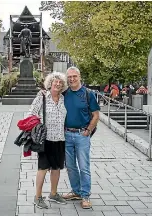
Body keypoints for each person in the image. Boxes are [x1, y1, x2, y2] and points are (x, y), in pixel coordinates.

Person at [62, 66, 100, 209]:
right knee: (71, 167)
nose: (72, 79)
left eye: (74, 76)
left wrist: (89, 130)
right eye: (69, 77)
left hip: (81, 135)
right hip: (66, 134)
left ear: (79, 77)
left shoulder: (88, 94)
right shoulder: (65, 94)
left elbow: (96, 115)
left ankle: (85, 196)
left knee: (84, 167)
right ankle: (76, 191)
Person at [29, 72, 68, 209]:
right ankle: (38, 197)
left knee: (56, 168)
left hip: (60, 138)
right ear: (50, 83)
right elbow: (31, 113)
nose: (58, 84)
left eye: (60, 83)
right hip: (45, 139)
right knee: (43, 168)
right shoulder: (42, 97)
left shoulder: (64, 98)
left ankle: (53, 193)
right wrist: (38, 125)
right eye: (55, 82)